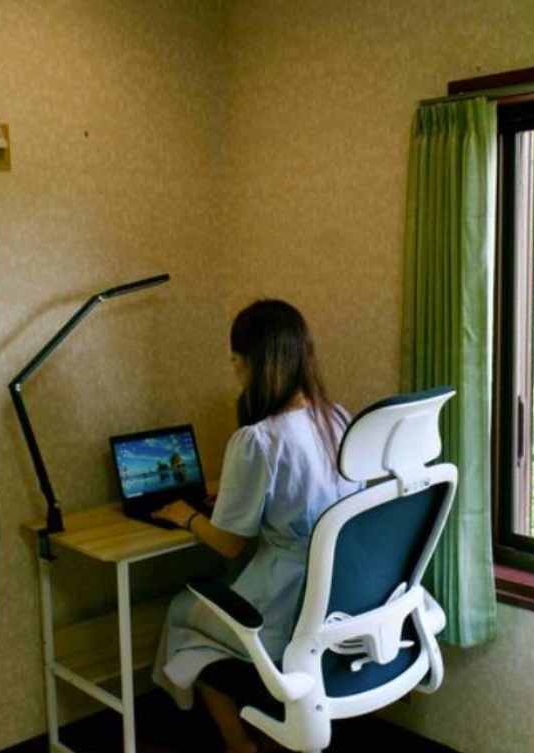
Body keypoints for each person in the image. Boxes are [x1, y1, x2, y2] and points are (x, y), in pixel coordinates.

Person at [152, 299, 362, 753]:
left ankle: (238, 743)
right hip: (340, 597)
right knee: (217, 602)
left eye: (235, 356)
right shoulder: (339, 418)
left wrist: (187, 516)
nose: (232, 366)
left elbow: (229, 543)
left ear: (255, 362)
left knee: (180, 616)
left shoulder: (258, 439)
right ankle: (266, 731)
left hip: (287, 605)